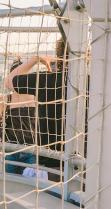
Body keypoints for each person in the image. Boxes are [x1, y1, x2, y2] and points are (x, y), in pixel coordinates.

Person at [5, 39, 69, 170]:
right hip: (21, 149)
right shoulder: (8, 99)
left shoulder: (44, 83)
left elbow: (9, 81)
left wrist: (35, 59)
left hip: (40, 152)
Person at [1, 59, 38, 175]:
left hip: (30, 150)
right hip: (11, 150)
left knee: (29, 185)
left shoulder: (36, 98)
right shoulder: (6, 100)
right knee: (11, 184)